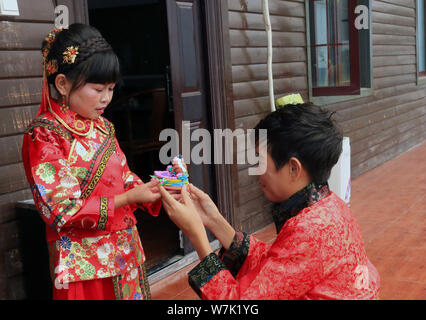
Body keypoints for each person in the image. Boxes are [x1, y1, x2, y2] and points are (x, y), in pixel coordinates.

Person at [159, 103, 380, 299]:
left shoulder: (310, 230)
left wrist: (196, 234)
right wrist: (212, 219)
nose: (256, 173)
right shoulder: (331, 207)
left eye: (261, 161)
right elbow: (276, 264)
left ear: (293, 168)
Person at [21, 23, 173, 300]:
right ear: (63, 84)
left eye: (111, 89)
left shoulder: (103, 127)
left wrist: (158, 189)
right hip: (83, 266)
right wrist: (127, 199)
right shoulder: (43, 135)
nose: (106, 98)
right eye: (98, 89)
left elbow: (125, 178)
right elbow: (60, 209)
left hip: (125, 250)